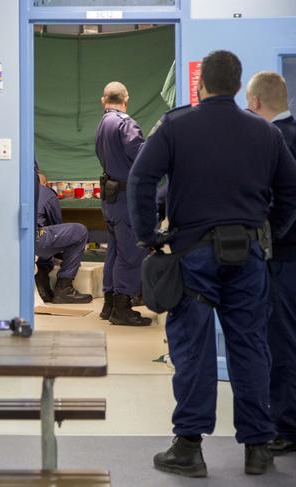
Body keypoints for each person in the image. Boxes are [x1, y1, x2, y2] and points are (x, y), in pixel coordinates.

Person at [129, 51, 296, 477]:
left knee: (194, 350)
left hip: (193, 256)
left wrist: (149, 235)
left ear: (200, 84)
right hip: (250, 257)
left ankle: (189, 447)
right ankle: (258, 447)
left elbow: (141, 178)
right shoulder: (265, 134)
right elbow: (291, 191)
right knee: (251, 348)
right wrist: (270, 235)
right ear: (239, 86)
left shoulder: (176, 127)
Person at [247, 71, 296, 455]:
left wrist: (271, 237)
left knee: (282, 343)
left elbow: (283, 201)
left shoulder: (273, 140)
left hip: (284, 258)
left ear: (257, 103)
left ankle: (287, 426)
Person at [95, 82, 151, 326]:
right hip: (126, 198)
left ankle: (109, 303)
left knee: (115, 251)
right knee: (130, 253)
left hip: (110, 199)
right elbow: (143, 157)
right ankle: (122, 307)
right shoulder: (125, 124)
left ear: (103, 100)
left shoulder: (102, 125)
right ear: (126, 100)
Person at [35, 175, 92, 304]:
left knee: (44, 235)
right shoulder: (45, 192)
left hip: (16, 240)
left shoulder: (16, 189)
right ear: (44, 183)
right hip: (36, 240)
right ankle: (64, 289)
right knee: (79, 231)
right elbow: (56, 224)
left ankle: (42, 283)